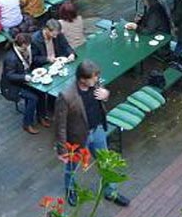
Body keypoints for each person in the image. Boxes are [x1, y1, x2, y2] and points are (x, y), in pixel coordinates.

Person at [54, 59, 131, 207]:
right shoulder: (66, 96)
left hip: (97, 131)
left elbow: (103, 97)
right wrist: (62, 150)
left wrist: (106, 94)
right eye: (94, 77)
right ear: (82, 79)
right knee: (72, 168)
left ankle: (111, 191)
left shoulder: (95, 84)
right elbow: (60, 125)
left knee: (105, 163)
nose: (97, 80)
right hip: (77, 138)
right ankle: (70, 189)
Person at [1, 33, 49, 134]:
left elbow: (31, 62)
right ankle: (27, 124)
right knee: (33, 98)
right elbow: (9, 75)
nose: (28, 48)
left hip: (25, 81)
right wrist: (24, 77)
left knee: (42, 92)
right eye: (27, 46)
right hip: (13, 86)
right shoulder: (11, 58)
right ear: (23, 45)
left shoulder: (24, 51)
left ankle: (41, 116)